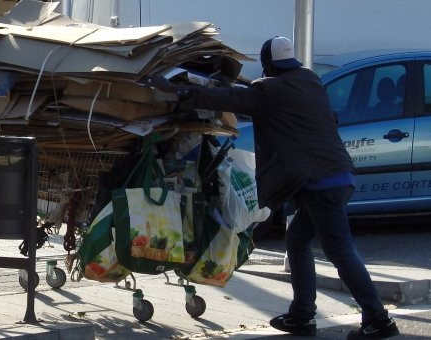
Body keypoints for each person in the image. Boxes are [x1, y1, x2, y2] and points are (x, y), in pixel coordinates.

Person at [148, 36, 399, 339]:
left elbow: (231, 100)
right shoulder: (310, 82)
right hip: (337, 177)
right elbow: (249, 96)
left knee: (340, 250)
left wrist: (178, 90)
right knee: (297, 240)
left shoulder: (269, 91)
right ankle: (302, 316)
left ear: (267, 64)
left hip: (319, 185)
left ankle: (378, 319)